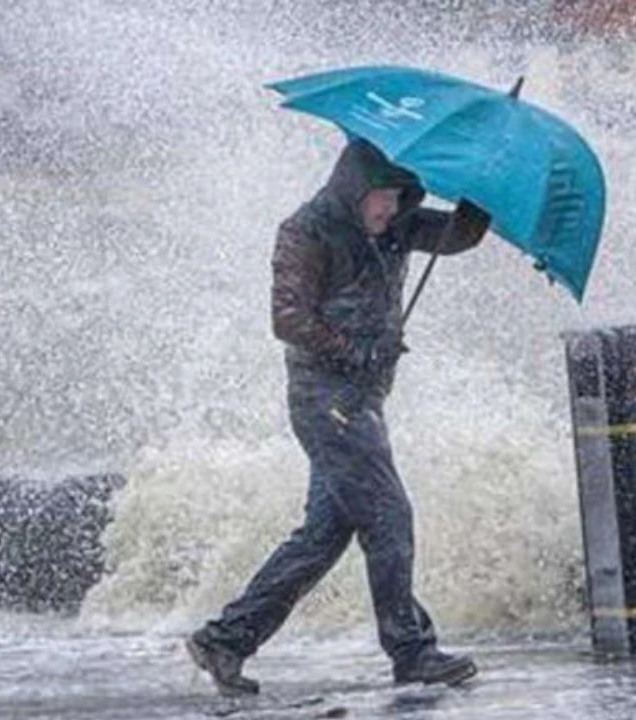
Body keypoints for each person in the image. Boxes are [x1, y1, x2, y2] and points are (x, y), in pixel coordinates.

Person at [185, 139, 492, 696]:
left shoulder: (397, 224)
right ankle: (412, 651)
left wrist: (481, 193)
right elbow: (287, 318)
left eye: (400, 198)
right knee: (389, 515)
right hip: (325, 399)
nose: (390, 210)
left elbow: (456, 237)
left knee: (323, 535)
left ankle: (225, 640)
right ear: (354, 189)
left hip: (363, 401)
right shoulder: (306, 231)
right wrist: (353, 351)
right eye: (382, 197)